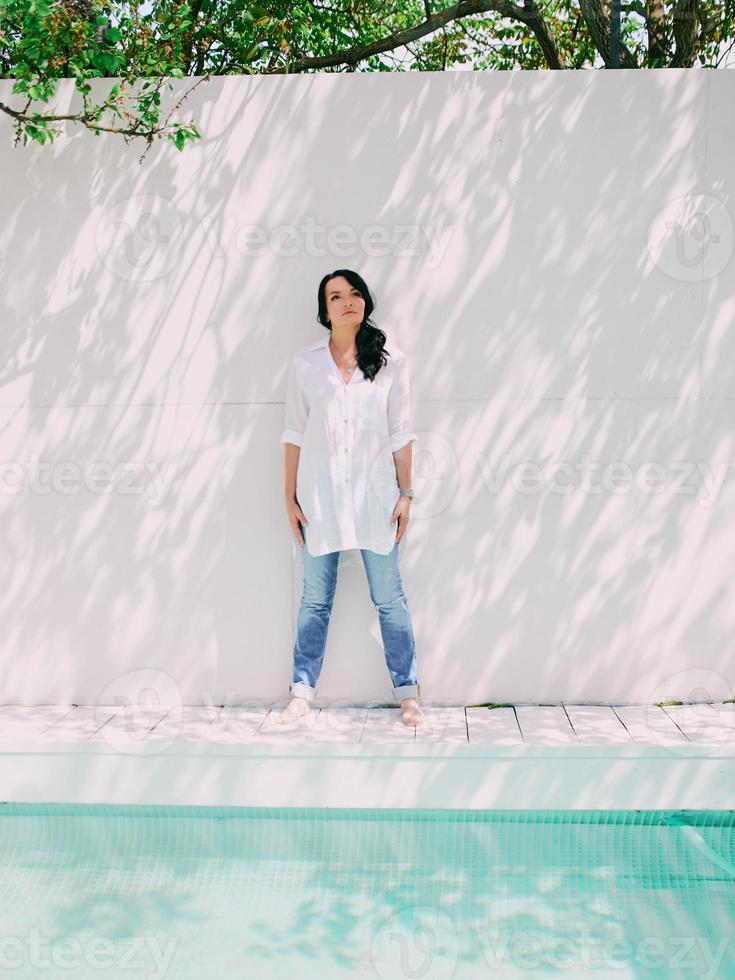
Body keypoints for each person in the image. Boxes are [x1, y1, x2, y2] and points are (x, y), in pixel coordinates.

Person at [277, 269, 423, 728]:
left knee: (390, 600)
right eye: (336, 296)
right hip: (319, 498)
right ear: (325, 310)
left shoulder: (390, 360)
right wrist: (289, 496)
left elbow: (402, 431)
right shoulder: (305, 365)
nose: (347, 302)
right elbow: (294, 432)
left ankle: (408, 693)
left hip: (375, 498)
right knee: (314, 601)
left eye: (355, 293)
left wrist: (406, 493)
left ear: (365, 303)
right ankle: (301, 693)